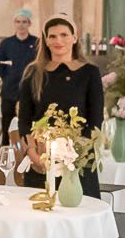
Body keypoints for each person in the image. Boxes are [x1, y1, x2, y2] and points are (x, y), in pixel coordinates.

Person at [15, 15, 106, 197]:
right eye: (52, 36)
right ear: (46, 40)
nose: (58, 41)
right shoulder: (33, 72)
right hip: (41, 159)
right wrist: (33, 154)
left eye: (64, 35)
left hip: (77, 161)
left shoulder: (90, 73)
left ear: (74, 37)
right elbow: (24, 120)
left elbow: (96, 120)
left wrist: (75, 154)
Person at [0, 9, 38, 130]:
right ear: (14, 23)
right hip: (9, 92)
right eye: (18, 22)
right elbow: (1, 66)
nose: (21, 25)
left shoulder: (37, 43)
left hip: (30, 92)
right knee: (7, 126)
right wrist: (9, 80)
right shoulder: (6, 43)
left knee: (28, 127)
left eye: (24, 22)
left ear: (29, 24)